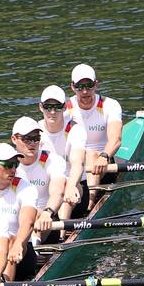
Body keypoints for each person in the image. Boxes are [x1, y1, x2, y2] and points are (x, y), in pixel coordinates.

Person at [64, 63, 124, 205]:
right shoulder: (65, 108)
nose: (84, 91)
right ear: (73, 87)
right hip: (74, 162)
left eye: (89, 85)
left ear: (96, 85)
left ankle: (90, 206)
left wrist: (105, 155)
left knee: (91, 155)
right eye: (80, 86)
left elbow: (116, 139)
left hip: (102, 162)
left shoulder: (110, 105)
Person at [0, 141, 39, 281]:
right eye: (8, 165)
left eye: (16, 164)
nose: (13, 169)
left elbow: (28, 222)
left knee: (9, 240)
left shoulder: (25, 188)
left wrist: (18, 244)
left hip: (18, 255)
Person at [10, 116, 68, 236]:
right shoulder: (7, 163)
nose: (32, 143)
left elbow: (57, 190)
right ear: (14, 139)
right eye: (27, 139)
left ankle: (33, 249)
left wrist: (48, 212)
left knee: (33, 213)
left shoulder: (51, 160)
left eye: (36, 139)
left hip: (45, 220)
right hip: (15, 220)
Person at [38, 85, 86, 218]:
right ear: (41, 107)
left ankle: (62, 235)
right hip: (48, 191)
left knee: (63, 184)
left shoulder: (75, 130)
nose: (52, 112)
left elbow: (77, 162)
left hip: (74, 191)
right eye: (48, 107)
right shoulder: (35, 133)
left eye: (57, 107)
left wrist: (71, 185)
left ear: (64, 108)